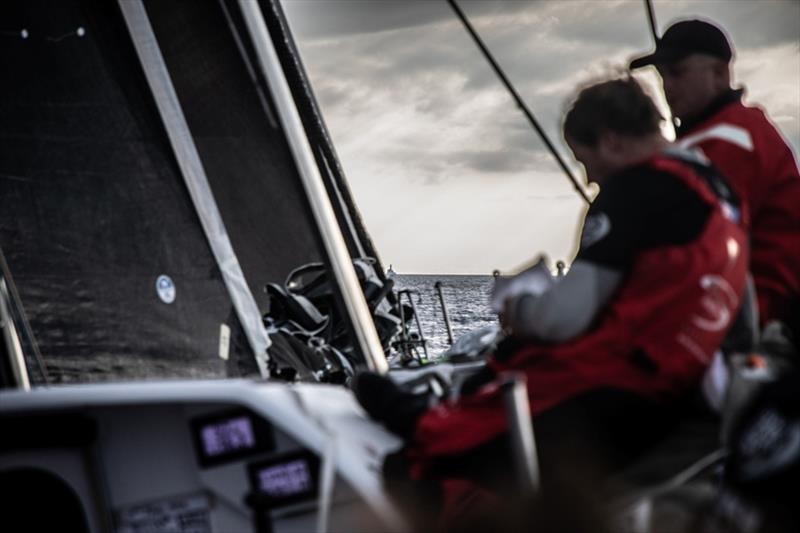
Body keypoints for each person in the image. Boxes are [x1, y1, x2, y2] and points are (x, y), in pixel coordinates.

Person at [355, 77, 749, 530]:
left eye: (586, 161)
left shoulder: (635, 192)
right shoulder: (718, 192)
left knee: (422, 459)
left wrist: (518, 307)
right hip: (680, 392)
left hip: (617, 389)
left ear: (612, 141)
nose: (590, 179)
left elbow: (564, 318)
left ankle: (420, 419)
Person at [630, 18, 800, 342]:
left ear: (720, 74)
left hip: (751, 321)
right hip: (734, 314)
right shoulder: (735, 129)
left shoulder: (729, 140)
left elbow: (686, 242)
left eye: (677, 73)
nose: (668, 87)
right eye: (662, 76)